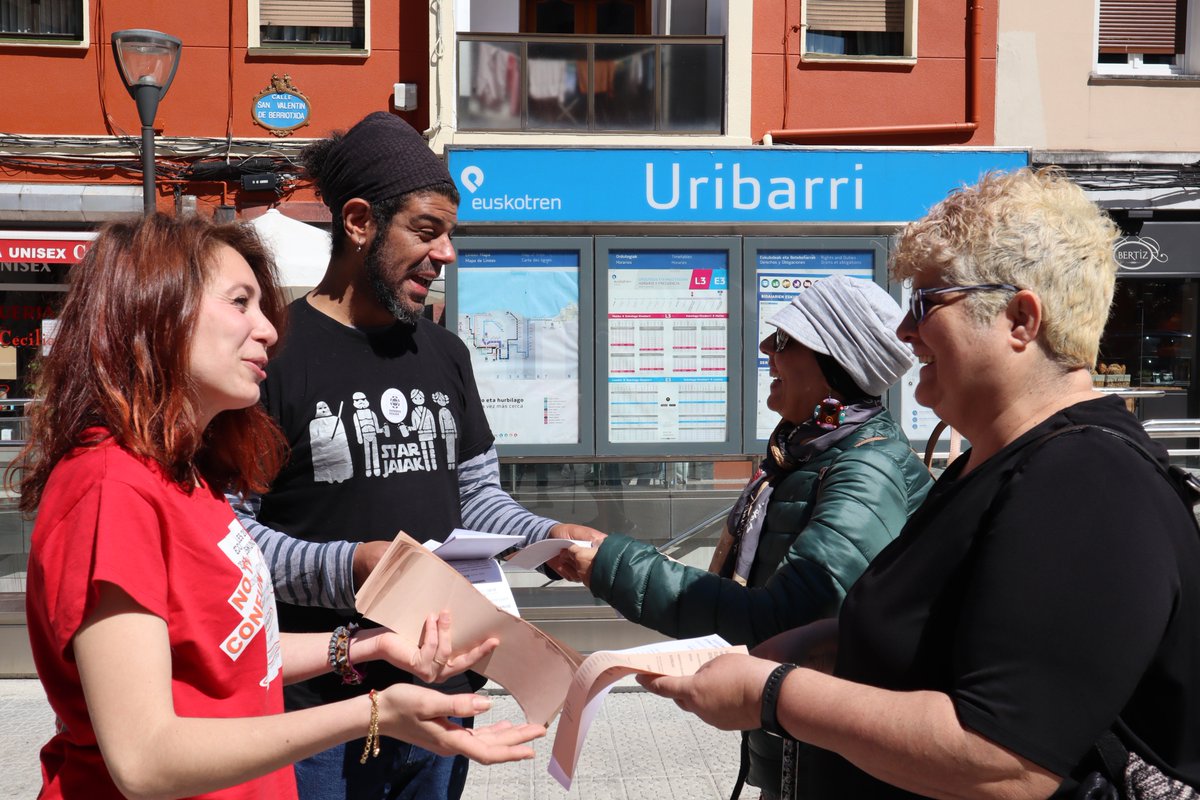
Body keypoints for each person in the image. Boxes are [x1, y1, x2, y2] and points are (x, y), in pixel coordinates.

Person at [639, 168, 1200, 798]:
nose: (905, 333)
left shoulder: (1087, 482)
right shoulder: (991, 463)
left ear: (1021, 319)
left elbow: (1001, 759)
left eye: (927, 304)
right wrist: (807, 644)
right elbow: (937, 634)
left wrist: (772, 696)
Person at [20, 214, 544, 800]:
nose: (268, 330)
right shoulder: (109, 487)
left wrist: (366, 645)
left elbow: (234, 653)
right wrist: (374, 711)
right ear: (155, 311)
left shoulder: (184, 477)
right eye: (240, 302)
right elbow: (144, 759)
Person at [231, 111, 600, 800]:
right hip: (317, 714)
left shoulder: (445, 352)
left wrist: (547, 537)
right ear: (360, 222)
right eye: (427, 232)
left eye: (450, 235)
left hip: (442, 700)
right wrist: (357, 567)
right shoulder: (271, 354)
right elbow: (232, 537)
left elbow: (477, 499)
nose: (447, 254)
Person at [553, 275, 933, 797]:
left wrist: (610, 566)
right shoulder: (804, 452)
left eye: (783, 340)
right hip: (797, 752)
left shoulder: (866, 472)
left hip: (833, 767)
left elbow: (784, 619)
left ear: (833, 365)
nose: (765, 351)